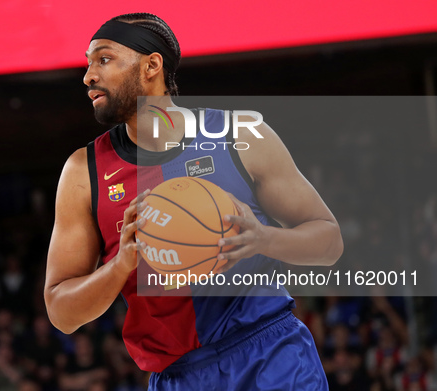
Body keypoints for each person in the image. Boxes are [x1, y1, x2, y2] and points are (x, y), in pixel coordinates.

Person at [44, 12, 343, 390]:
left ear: (152, 65)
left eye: (103, 59)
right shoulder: (82, 173)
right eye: (88, 63)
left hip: (270, 356)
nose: (88, 75)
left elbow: (329, 241)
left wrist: (263, 239)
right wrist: (120, 265)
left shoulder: (242, 136)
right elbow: (61, 312)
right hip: (178, 377)